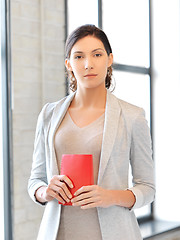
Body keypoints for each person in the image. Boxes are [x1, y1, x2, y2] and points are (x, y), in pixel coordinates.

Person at [28, 24, 155, 240]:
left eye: (97, 54)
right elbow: (35, 180)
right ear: (68, 64)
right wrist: (44, 192)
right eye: (79, 57)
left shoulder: (133, 117)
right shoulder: (49, 115)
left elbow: (148, 188)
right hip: (58, 234)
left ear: (109, 59)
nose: (88, 64)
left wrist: (110, 196)